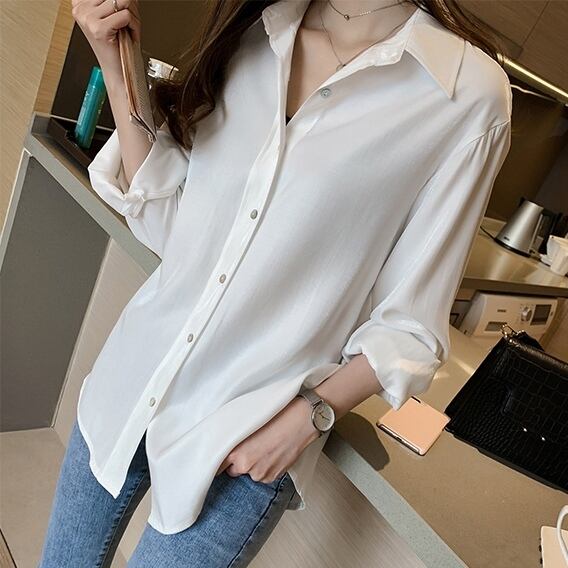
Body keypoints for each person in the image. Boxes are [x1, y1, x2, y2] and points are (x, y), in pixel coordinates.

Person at [38, 0, 512, 566]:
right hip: (132, 381)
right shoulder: (253, 33)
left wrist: (310, 415)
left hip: (244, 439)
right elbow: (175, 229)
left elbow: (412, 326)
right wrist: (117, 64)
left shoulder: (465, 92)